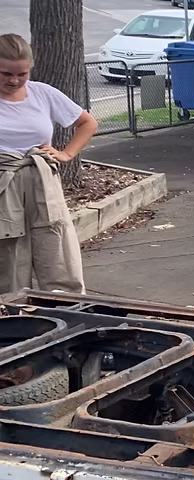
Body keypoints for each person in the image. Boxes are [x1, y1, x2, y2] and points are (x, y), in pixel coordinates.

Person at [0, 33, 97, 295]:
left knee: (56, 250)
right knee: (7, 257)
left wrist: (66, 154)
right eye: (6, 73)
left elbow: (87, 123)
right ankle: (11, 323)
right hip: (3, 184)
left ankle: (68, 314)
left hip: (42, 179)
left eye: (22, 73)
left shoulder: (42, 93)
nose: (15, 80)